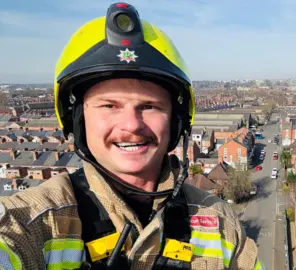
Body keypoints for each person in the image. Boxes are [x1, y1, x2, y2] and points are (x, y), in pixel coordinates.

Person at [0, 2, 264, 270]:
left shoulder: (222, 225)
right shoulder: (31, 222)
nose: (131, 125)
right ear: (77, 120)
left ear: (176, 120)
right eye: (109, 105)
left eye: (149, 106)